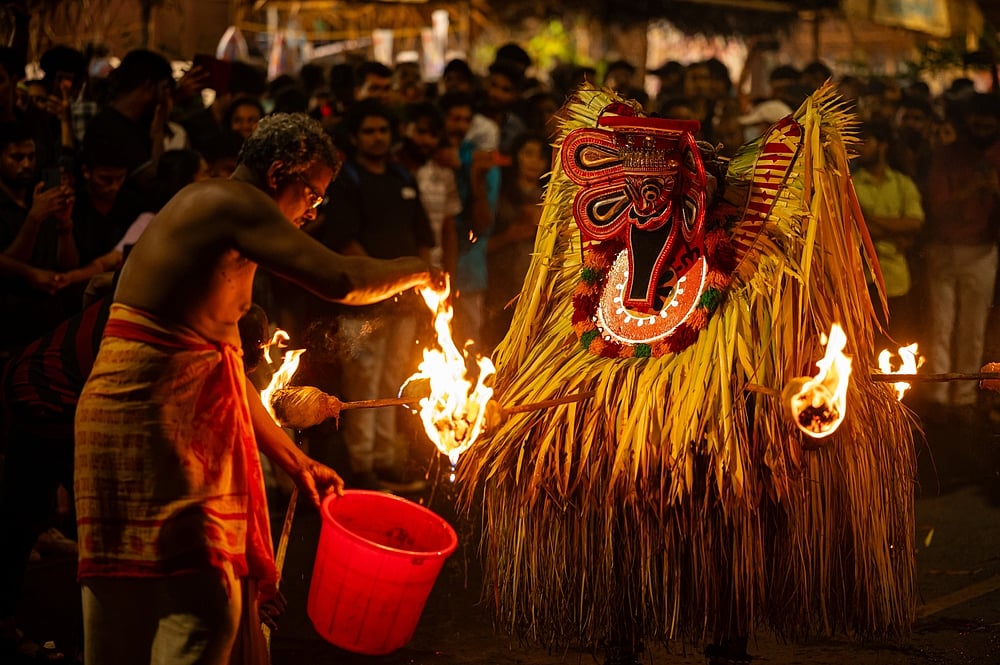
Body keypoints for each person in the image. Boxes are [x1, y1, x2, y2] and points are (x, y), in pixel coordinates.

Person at [73, 113, 434, 665]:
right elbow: (339, 280)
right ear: (278, 172)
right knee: (200, 603)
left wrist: (294, 460)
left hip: (148, 414)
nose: (313, 211)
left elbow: (229, 372)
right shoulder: (228, 202)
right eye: (310, 193)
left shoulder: (226, 222)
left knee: (139, 597)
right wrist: (420, 270)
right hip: (148, 414)